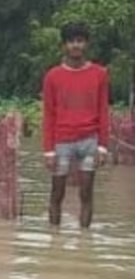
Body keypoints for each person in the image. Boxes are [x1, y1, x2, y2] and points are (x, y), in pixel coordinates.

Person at [41, 22, 110, 228]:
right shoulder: (52, 76)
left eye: (79, 41)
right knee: (57, 193)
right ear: (64, 45)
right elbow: (49, 114)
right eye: (71, 41)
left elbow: (103, 111)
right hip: (62, 141)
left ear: (86, 44)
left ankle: (84, 238)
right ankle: (54, 239)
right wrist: (48, 151)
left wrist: (102, 146)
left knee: (86, 193)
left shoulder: (100, 74)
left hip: (90, 140)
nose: (75, 46)